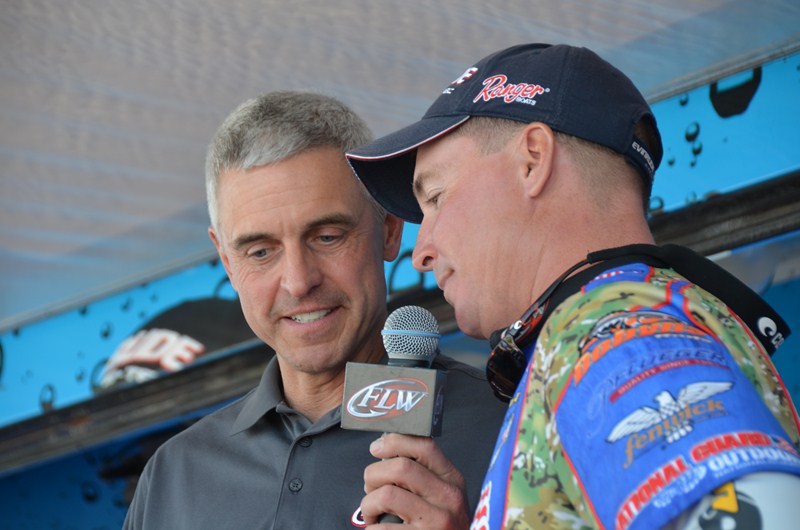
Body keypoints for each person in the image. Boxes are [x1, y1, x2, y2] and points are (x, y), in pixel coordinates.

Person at [346, 43, 800, 529]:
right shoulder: (607, 329)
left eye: (436, 197)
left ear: (533, 159)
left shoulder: (619, 337)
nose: (421, 252)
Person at [122, 91, 506, 529]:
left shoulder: (510, 426)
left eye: (327, 237)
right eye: (261, 251)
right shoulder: (174, 476)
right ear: (227, 263)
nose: (299, 281)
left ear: (388, 230)